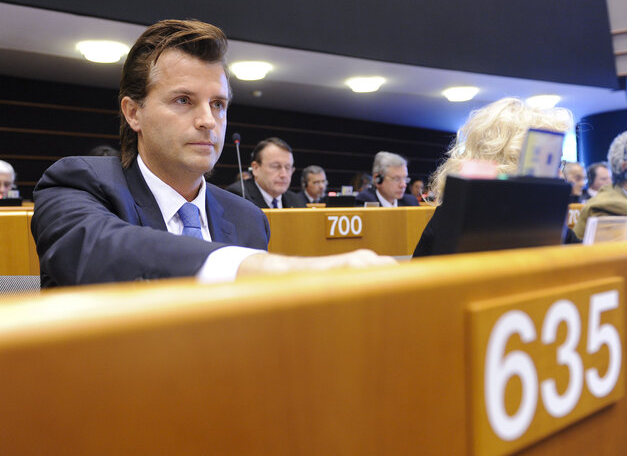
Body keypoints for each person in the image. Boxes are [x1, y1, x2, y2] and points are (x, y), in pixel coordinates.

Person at [31, 19, 392, 288]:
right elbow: (103, 251)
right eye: (183, 100)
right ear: (133, 112)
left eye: (218, 104)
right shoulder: (77, 184)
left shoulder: (249, 218)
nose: (208, 121)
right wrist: (265, 269)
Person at [413, 97, 573, 256]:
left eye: (559, 162)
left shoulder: (544, 216)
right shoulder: (457, 221)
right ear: (514, 158)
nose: (560, 175)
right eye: (554, 162)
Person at [226, 137, 304, 208]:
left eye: (288, 167)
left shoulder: (297, 201)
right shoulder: (238, 196)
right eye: (275, 166)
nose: (283, 175)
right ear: (255, 168)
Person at [355, 152, 419, 207]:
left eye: (405, 178)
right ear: (378, 179)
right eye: (397, 179)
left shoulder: (411, 202)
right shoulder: (365, 201)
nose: (403, 185)